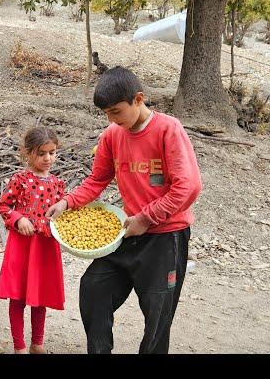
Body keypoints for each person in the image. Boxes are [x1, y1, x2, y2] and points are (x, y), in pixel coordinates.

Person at [46, 67, 202, 354]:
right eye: (106, 113)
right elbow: (96, 180)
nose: (111, 120)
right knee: (94, 289)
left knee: (157, 314)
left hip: (166, 237)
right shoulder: (112, 135)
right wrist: (67, 202)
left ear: (138, 99)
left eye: (116, 111)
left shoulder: (168, 129)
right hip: (127, 232)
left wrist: (146, 217)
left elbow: (188, 187)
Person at [0, 126, 66, 354]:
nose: (48, 158)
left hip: (45, 246)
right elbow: (3, 205)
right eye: (41, 153)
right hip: (22, 246)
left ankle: (37, 343)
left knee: (40, 295)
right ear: (28, 153)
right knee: (18, 297)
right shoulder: (20, 179)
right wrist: (18, 219)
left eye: (52, 152)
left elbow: (64, 214)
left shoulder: (58, 184)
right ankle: (19, 346)